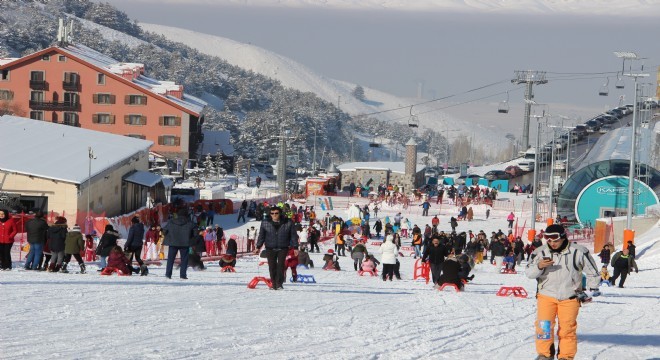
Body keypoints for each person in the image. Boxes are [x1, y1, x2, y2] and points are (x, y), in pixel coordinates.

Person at [526, 224, 601, 360]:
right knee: (544, 327)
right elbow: (529, 273)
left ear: (563, 237)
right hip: (546, 296)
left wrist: (591, 290)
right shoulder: (540, 252)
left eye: (555, 240)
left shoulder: (579, 251)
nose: (552, 243)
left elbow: (593, 272)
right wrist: (539, 266)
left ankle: (565, 356)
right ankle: (545, 354)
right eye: (549, 240)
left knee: (567, 329)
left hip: (570, 296)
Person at [254, 206, 298, 290]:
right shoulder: (265, 222)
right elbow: (261, 236)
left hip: (283, 247)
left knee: (281, 265)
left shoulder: (288, 222)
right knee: (272, 266)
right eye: (272, 213)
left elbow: (293, 235)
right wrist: (258, 246)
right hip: (270, 247)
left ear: (280, 213)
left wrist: (295, 247)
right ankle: (273, 284)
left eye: (276, 213)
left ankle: (279, 284)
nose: (274, 215)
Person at [162, 208, 196, 279]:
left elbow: (164, 231)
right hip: (185, 243)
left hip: (173, 243)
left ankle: (168, 274)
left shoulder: (171, 222)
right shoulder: (190, 223)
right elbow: (195, 233)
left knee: (170, 259)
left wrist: (170, 235)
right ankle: (183, 275)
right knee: (184, 260)